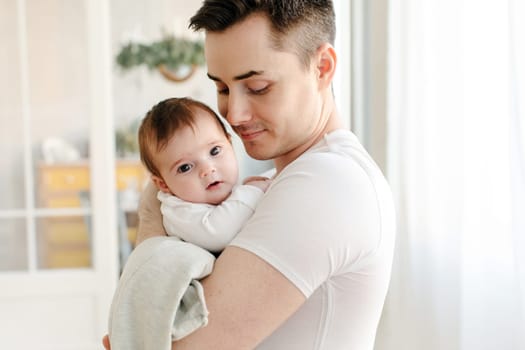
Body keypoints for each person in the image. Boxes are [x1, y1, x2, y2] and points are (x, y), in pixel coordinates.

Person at [104, 1, 395, 349]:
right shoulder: (281, 182)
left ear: (322, 67)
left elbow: (178, 346)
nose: (234, 114)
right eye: (223, 89)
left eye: (257, 87)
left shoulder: (326, 183)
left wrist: (153, 217)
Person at [138, 97, 271, 253]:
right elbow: (218, 233)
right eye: (185, 167)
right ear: (163, 185)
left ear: (230, 144)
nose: (207, 170)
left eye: (214, 151)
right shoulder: (178, 211)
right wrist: (252, 191)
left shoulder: (231, 191)